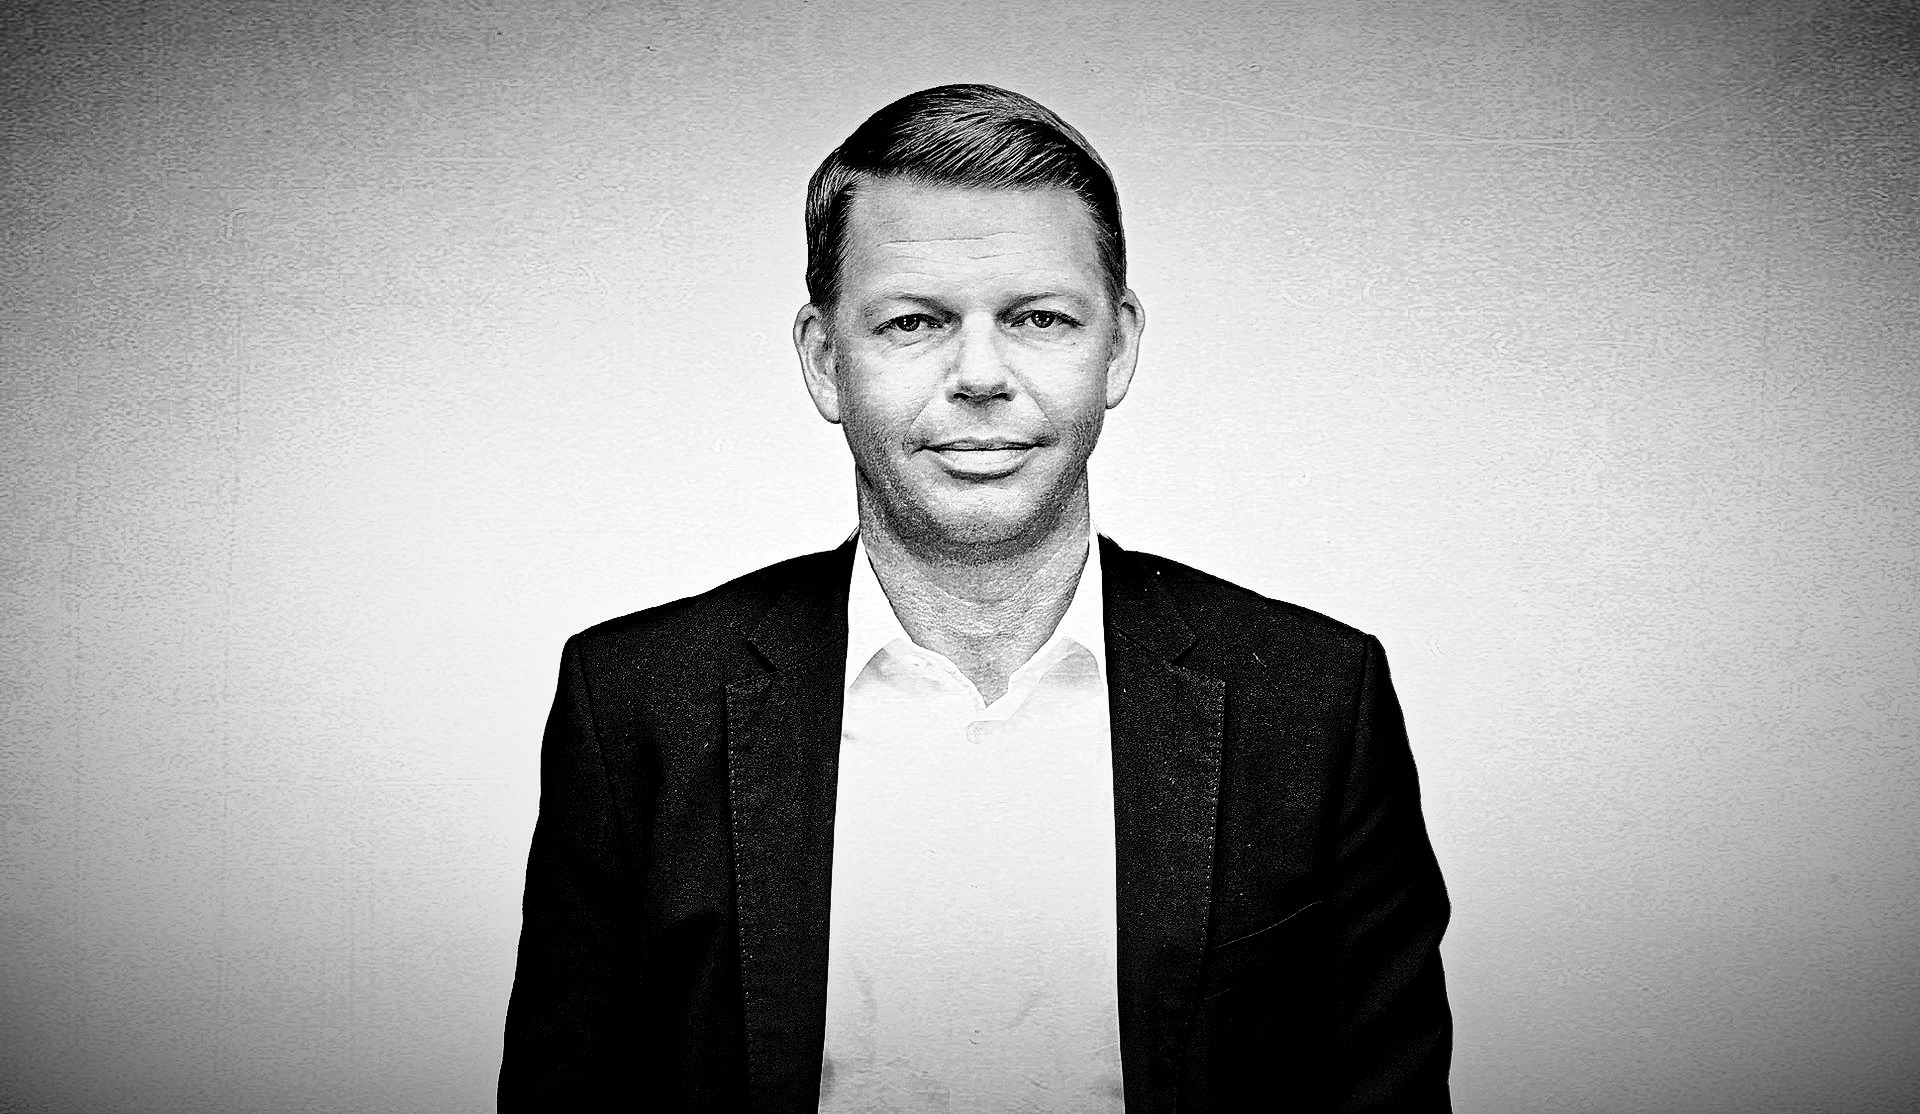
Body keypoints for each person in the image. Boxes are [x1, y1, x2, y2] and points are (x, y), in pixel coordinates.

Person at [500, 83, 1451, 1113]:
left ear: (1118, 345)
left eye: (1040, 317)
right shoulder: (635, 701)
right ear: (825, 361)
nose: (981, 375)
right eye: (914, 321)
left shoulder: (1316, 700)